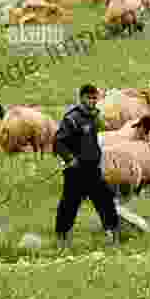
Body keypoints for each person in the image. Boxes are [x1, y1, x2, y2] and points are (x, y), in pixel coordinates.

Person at [53, 84, 120, 249]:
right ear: (82, 98)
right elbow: (58, 142)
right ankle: (62, 237)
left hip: (93, 169)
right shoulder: (72, 118)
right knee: (69, 204)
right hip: (76, 171)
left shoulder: (94, 117)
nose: (92, 101)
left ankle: (112, 233)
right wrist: (69, 159)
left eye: (94, 98)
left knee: (105, 200)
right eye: (89, 98)